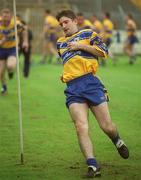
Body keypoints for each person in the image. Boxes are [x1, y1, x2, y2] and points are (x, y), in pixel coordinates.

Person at [56, 10, 129, 178]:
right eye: (60, 24)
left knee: (107, 126)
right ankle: (93, 165)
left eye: (66, 22)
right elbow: (70, 62)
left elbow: (104, 52)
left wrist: (81, 45)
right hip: (72, 88)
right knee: (80, 126)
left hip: (91, 84)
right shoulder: (60, 43)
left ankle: (117, 140)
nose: (63, 26)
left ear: (75, 21)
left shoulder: (89, 33)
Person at [0, 8, 28, 94]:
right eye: (4, 16)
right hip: (1, 49)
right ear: (1, 16)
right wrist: (2, 41)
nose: (6, 19)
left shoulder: (15, 23)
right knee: (0, 73)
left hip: (12, 48)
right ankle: (4, 87)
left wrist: (25, 42)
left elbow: (24, 29)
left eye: (7, 17)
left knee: (11, 65)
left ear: (10, 17)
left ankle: (10, 72)